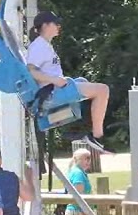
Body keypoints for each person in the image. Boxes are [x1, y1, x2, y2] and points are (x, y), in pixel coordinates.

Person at [25, 10, 110, 154]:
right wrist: (54, 80)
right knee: (103, 90)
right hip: (50, 93)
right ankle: (97, 136)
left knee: (85, 83)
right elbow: (31, 71)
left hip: (55, 89)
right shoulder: (38, 46)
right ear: (45, 25)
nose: (59, 26)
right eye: (55, 23)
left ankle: (88, 130)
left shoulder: (45, 45)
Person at [63, 149, 93, 215]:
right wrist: (86, 213)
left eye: (89, 158)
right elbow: (78, 195)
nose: (88, 161)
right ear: (76, 159)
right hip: (78, 212)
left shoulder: (79, 172)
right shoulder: (77, 173)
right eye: (85, 158)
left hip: (79, 212)